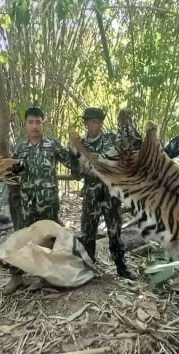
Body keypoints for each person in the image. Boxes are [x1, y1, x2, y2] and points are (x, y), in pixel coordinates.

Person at [72, 107, 137, 280]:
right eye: (92, 121)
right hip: (91, 193)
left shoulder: (111, 139)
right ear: (86, 123)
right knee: (88, 232)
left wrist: (126, 121)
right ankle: (89, 268)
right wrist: (79, 157)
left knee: (114, 231)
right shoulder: (79, 144)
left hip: (111, 192)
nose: (96, 125)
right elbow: (75, 171)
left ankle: (121, 268)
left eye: (99, 121)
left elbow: (127, 148)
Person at [12, 107, 73, 227]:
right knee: (29, 239)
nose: (34, 126)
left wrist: (75, 149)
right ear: (25, 125)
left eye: (38, 122)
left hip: (49, 204)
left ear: (43, 124)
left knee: (49, 239)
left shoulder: (52, 144)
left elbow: (70, 163)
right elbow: (13, 172)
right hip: (27, 204)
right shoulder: (20, 148)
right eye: (31, 122)